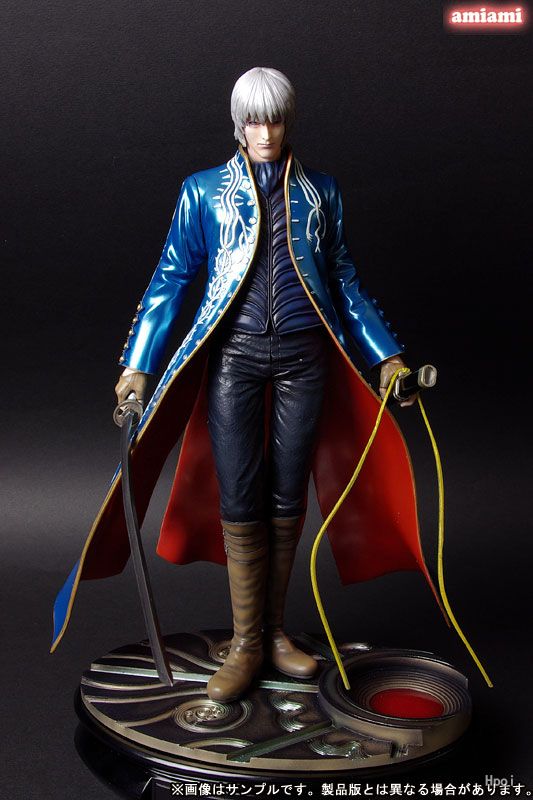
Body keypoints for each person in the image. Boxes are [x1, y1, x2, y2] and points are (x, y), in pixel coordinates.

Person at [52, 68, 439, 702]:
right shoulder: (202, 191)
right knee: (238, 493)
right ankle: (245, 642)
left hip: (305, 358)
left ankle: (275, 633)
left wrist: (387, 358)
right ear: (237, 124)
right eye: (253, 120)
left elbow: (343, 278)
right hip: (234, 357)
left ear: (288, 121)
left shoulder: (321, 192)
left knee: (287, 494)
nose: (264, 132)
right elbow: (172, 277)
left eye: (274, 119)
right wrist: (138, 364)